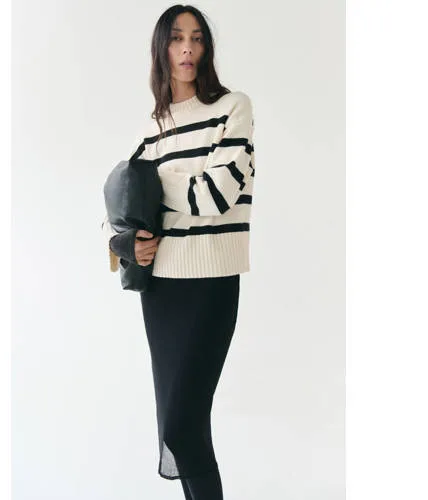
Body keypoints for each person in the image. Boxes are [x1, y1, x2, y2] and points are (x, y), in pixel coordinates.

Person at [101, 5, 256, 499]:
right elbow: (117, 212)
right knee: (177, 428)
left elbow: (215, 197)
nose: (187, 48)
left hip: (211, 284)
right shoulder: (151, 129)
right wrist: (128, 242)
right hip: (162, 292)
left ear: (207, 48)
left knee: (184, 425)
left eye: (197, 38)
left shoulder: (233, 108)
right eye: (176, 38)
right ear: (161, 49)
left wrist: (153, 179)